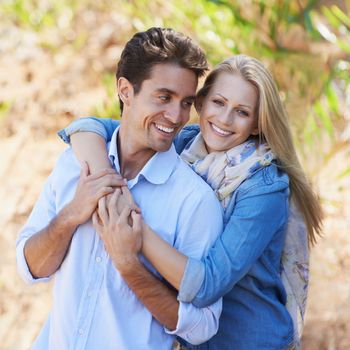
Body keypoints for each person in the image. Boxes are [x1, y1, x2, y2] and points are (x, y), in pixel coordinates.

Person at [60, 54, 323, 350]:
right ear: (200, 103)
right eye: (219, 103)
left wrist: (131, 224)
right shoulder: (185, 142)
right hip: (194, 341)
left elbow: (207, 284)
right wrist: (107, 182)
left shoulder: (263, 189)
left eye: (241, 112)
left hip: (250, 341)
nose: (224, 120)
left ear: (256, 125)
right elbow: (87, 127)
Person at [16, 27, 225, 350]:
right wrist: (72, 213)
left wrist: (129, 265)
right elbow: (29, 267)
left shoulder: (195, 202)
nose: (176, 116)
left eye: (186, 103)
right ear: (126, 91)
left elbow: (203, 326)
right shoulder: (75, 164)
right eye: (164, 97)